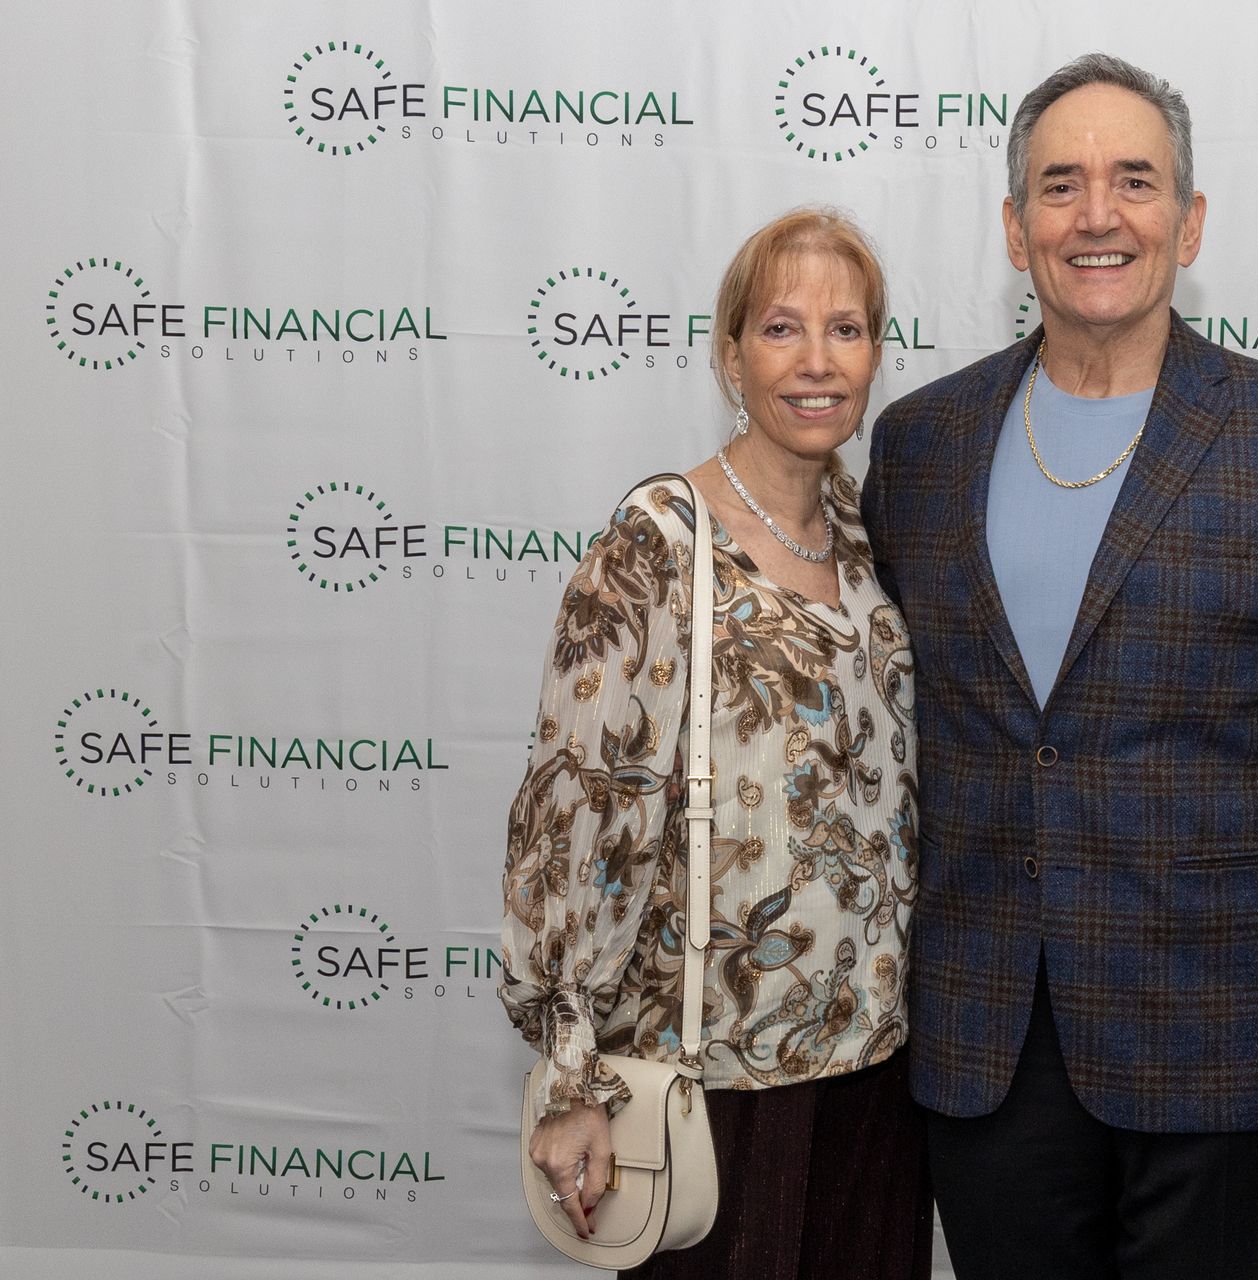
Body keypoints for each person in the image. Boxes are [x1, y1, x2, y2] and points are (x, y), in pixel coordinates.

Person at [862, 54, 1258, 1278]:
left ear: (1191, 218)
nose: (1098, 215)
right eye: (1060, 186)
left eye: (1135, 181)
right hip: (983, 1047)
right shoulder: (920, 443)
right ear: (1016, 231)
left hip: (1223, 1059)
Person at [499, 207, 931, 1280]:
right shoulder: (656, 544)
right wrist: (572, 1079)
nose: (818, 362)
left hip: (876, 1068)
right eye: (783, 328)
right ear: (730, 351)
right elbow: (577, 813)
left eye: (848, 329)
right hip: (713, 1076)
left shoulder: (876, 544)